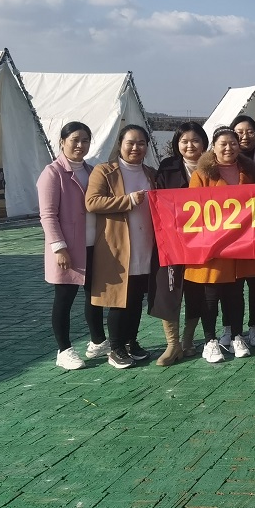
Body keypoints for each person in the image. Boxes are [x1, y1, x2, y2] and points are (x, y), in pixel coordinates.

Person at [184, 127, 255, 364]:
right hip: (213, 244)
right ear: (214, 147)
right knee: (210, 293)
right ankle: (210, 340)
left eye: (233, 144)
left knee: (235, 292)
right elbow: (193, 207)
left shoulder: (247, 171)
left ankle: (237, 335)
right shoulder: (202, 174)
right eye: (223, 144)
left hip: (240, 243)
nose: (229, 148)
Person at [85, 124, 159, 369]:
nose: (135, 148)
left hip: (144, 243)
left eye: (141, 143)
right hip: (117, 245)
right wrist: (127, 200)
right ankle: (115, 348)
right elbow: (92, 202)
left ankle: (131, 342)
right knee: (119, 299)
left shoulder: (150, 173)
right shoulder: (104, 171)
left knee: (137, 298)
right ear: (120, 144)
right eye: (130, 143)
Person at [37, 121, 108, 370]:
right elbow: (47, 215)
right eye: (75, 140)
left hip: (92, 244)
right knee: (64, 298)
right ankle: (64, 349)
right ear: (62, 142)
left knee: (94, 296)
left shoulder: (92, 171)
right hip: (68, 248)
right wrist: (59, 248)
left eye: (85, 140)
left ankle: (98, 341)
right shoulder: (52, 173)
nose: (80, 145)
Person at [147, 122, 207, 365]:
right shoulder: (168, 167)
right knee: (168, 289)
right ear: (177, 144)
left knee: (197, 290)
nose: (190, 145)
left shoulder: (213, 167)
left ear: (204, 143)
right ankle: (172, 344)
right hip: (172, 241)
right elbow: (159, 202)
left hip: (203, 241)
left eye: (195, 140)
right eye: (184, 141)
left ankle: (188, 341)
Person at [230, 114, 255, 346]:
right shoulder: (220, 161)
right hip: (233, 230)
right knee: (233, 282)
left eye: (250, 131)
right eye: (239, 132)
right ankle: (231, 328)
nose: (245, 136)